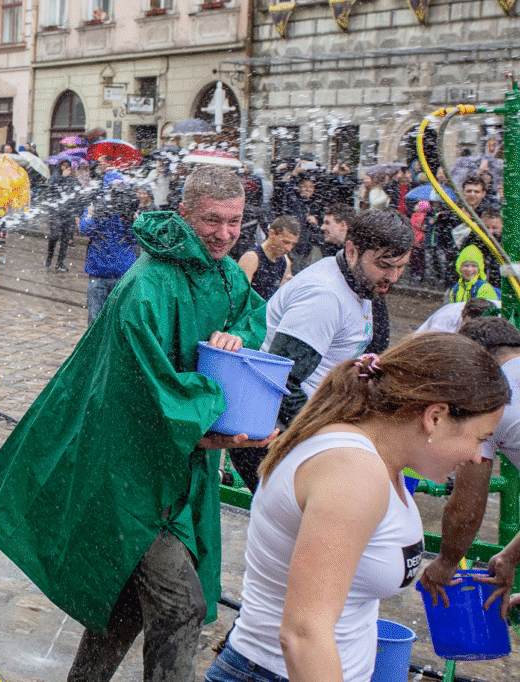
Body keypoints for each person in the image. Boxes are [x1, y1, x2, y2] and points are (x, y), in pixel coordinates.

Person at [0, 166, 273, 682]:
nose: (225, 234)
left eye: (235, 222)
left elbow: (252, 318)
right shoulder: (146, 285)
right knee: (180, 605)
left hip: (178, 464)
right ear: (184, 213)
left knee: (127, 600)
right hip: (129, 470)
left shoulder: (227, 275)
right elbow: (144, 387)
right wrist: (209, 421)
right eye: (212, 220)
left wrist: (239, 341)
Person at [206, 333, 509, 682]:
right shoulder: (353, 472)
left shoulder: (376, 457)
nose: (477, 456)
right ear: (436, 416)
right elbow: (303, 635)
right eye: (479, 439)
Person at [229, 209, 413, 492]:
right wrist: (326, 440)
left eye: (401, 267)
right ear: (351, 251)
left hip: (296, 428)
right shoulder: (325, 296)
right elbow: (280, 379)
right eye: (385, 265)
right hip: (275, 435)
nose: (394, 276)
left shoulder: (356, 280)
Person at [418, 317, 520, 619]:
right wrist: (510, 557)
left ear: (475, 360)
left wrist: (446, 563)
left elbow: (467, 507)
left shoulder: (489, 397)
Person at [79, 171, 140, 326]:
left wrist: (128, 219)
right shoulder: (95, 205)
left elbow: (137, 238)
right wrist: (99, 215)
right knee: (95, 319)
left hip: (123, 274)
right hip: (98, 273)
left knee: (121, 321)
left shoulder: (128, 207)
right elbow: (85, 229)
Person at [238, 215, 299, 301]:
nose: (289, 248)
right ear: (271, 234)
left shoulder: (285, 262)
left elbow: (276, 299)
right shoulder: (252, 258)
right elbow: (239, 298)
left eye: (293, 244)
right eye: (285, 242)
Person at [45, 159, 81, 271]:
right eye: (64, 166)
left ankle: (60, 262)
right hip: (56, 213)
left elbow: (77, 198)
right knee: (54, 236)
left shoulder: (74, 181)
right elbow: (50, 188)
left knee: (66, 239)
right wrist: (62, 177)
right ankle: (50, 255)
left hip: (69, 214)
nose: (66, 169)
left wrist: (77, 214)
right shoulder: (54, 178)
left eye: (68, 166)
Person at [415, 297, 496, 334]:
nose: (472, 330)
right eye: (469, 325)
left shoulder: (495, 313)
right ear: (462, 315)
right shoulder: (445, 320)